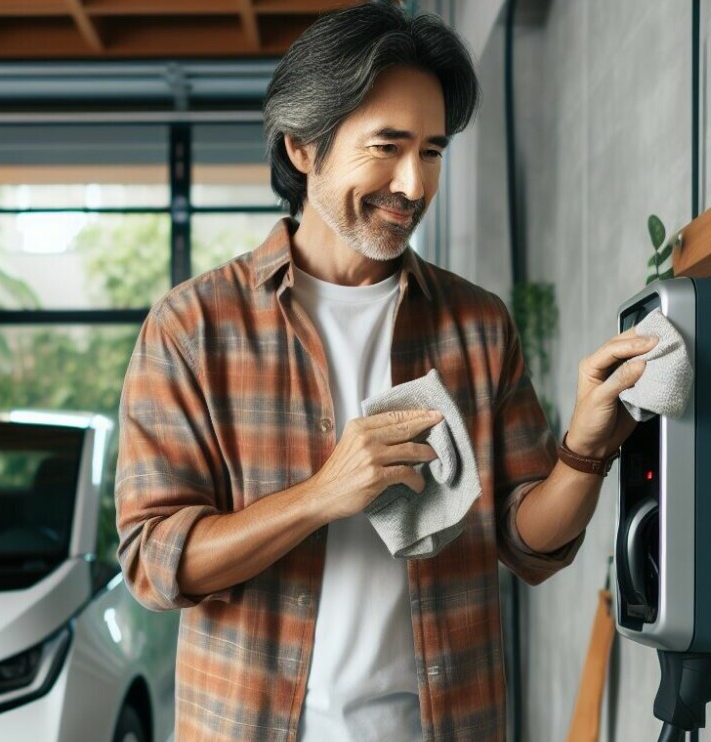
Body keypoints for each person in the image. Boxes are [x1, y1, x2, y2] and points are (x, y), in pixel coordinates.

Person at [114, 2, 654, 740]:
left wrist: (587, 448)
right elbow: (154, 562)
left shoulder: (476, 324)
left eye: (431, 151)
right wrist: (321, 496)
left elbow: (530, 542)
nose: (413, 183)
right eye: (387, 146)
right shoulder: (192, 328)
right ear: (304, 148)